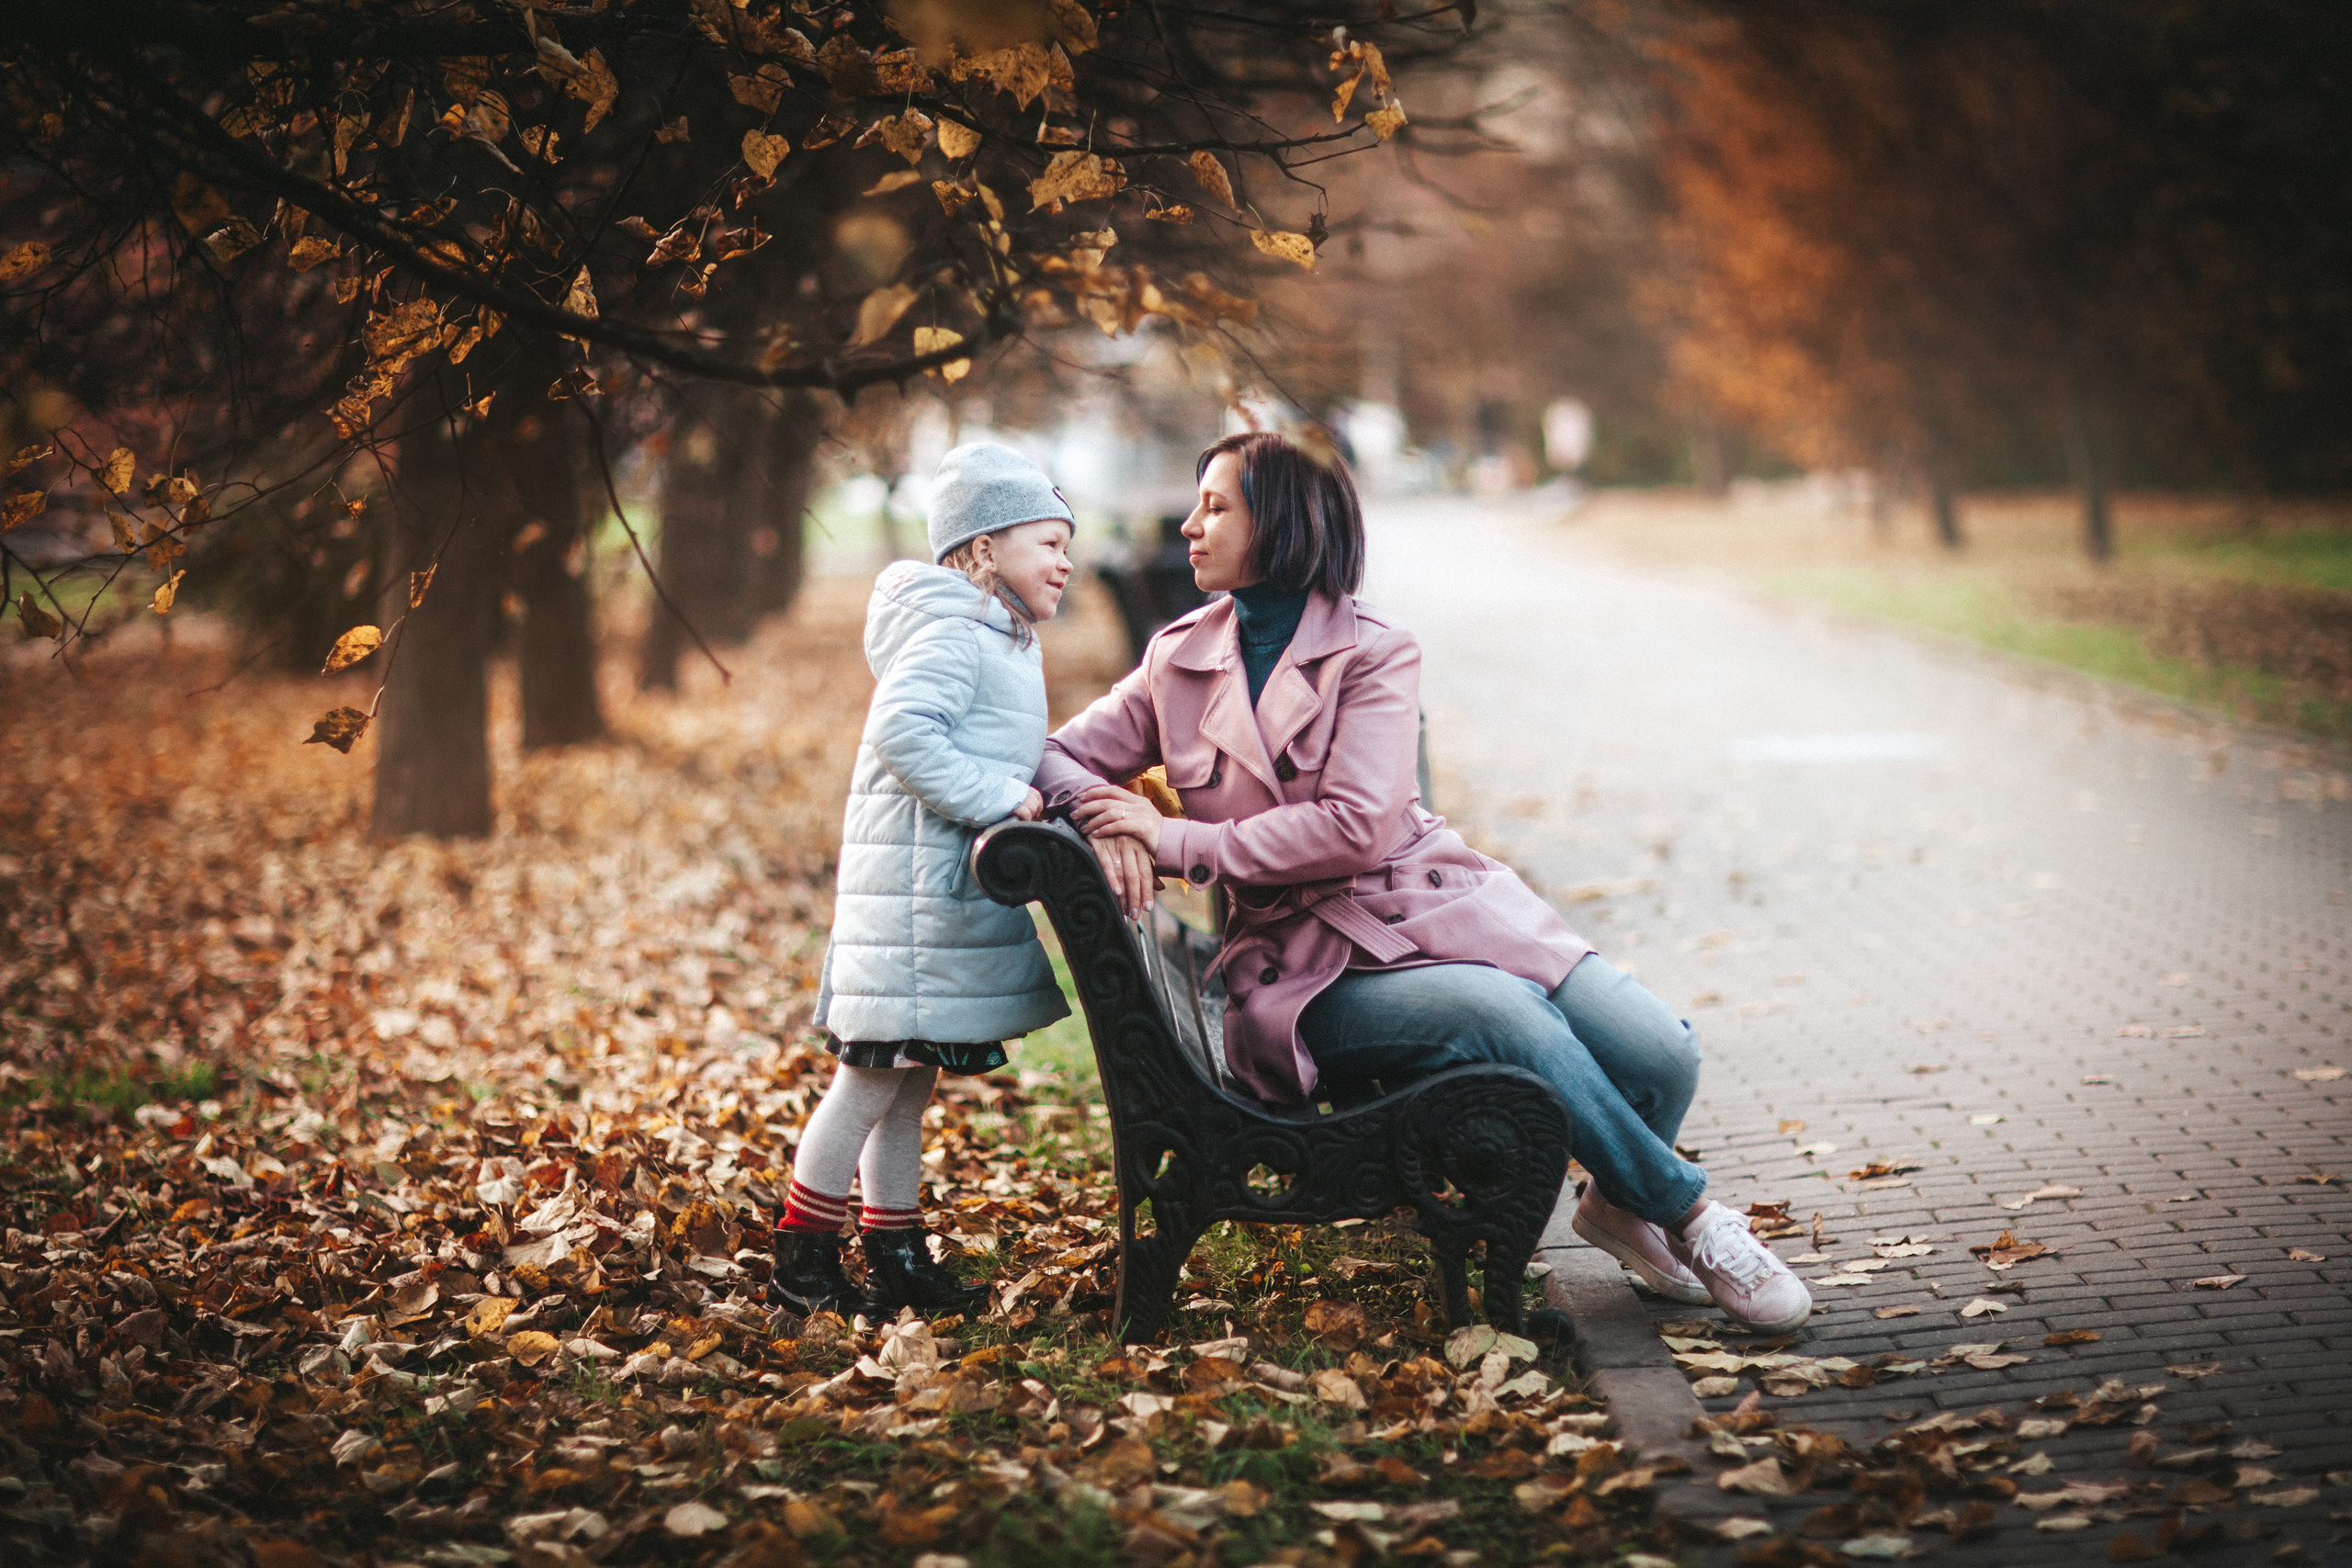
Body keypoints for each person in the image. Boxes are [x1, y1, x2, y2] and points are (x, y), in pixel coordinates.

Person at [1035, 431, 1810, 1334]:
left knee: (1661, 1051)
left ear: (1280, 523)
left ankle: (1613, 1206)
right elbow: (1056, 756)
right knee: (1500, 1014)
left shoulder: (1374, 651)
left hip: (1436, 906)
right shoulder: (1180, 657)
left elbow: (1355, 828)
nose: (1187, 525)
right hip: (1303, 968)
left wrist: (1170, 835)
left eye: (1214, 507)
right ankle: (1691, 1217)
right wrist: (1103, 816)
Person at [771, 443, 1076, 1318]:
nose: (1065, 561)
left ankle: (895, 1247)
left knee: (906, 1086)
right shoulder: (954, 634)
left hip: (932, 904)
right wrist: (1001, 799)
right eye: (1047, 541)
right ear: (983, 550)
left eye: (1068, 544)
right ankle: (803, 1255)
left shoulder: (998, 639)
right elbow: (906, 737)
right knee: (868, 1082)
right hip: (906, 908)